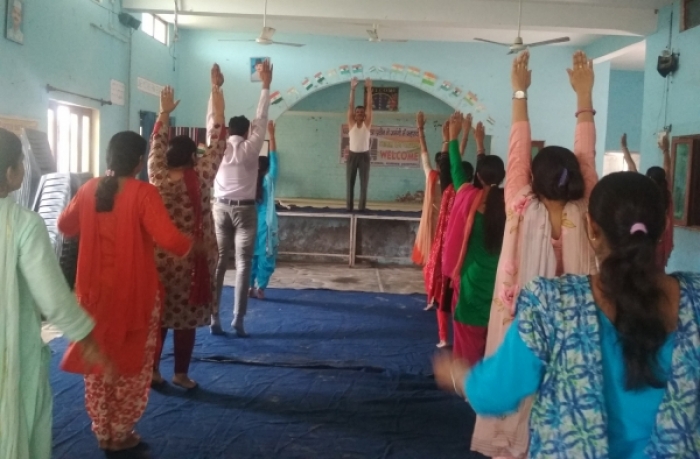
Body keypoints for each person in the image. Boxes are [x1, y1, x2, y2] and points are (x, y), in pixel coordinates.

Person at [434, 171, 700, 458]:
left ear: (591, 228)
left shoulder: (551, 304)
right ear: (664, 228)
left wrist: (459, 376)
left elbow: (495, 394)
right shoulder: (695, 301)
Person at [471, 50, 599, 458]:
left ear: (533, 176)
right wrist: (584, 97)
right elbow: (586, 157)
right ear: (576, 178)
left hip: (522, 326)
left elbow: (516, 151)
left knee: (516, 380)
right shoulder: (587, 209)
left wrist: (520, 91)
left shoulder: (520, 205)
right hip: (575, 333)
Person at [58, 131, 195, 452]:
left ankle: (103, 430)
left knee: (98, 364)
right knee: (130, 364)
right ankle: (121, 433)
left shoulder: (89, 188)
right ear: (138, 162)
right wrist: (194, 246)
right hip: (134, 295)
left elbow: (65, 225)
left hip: (91, 296)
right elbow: (170, 240)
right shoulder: (143, 193)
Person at [0, 128, 111, 459]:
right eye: (21, 162)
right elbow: (51, 295)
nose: (24, 168)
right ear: (10, 172)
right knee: (14, 416)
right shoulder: (22, 224)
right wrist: (86, 337)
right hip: (10, 347)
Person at [149, 66, 227, 390]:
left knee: (158, 317)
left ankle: (153, 371)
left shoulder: (157, 174)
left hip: (159, 259)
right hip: (194, 259)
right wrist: (216, 90)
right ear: (194, 156)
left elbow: (155, 142)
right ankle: (180, 374)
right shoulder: (203, 175)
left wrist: (164, 113)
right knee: (185, 321)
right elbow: (218, 138)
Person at [211, 59, 273, 336]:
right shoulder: (251, 148)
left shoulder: (219, 147)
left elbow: (212, 120)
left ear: (227, 131)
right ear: (247, 132)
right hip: (246, 211)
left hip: (219, 209)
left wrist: (215, 88)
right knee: (244, 264)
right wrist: (265, 85)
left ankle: (214, 317)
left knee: (219, 263)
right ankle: (238, 319)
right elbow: (261, 118)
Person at [442, 113, 506, 365]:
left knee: (468, 340)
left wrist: (453, 138)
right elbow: (487, 177)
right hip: (501, 282)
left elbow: (457, 171)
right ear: (503, 176)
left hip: (472, 280)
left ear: (478, 177)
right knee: (496, 340)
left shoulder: (469, 197)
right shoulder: (511, 204)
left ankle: (468, 380)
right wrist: (480, 145)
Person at [424, 119, 472, 347]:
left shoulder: (449, 190)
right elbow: (450, 164)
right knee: (463, 296)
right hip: (466, 252)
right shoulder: (475, 197)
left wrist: (450, 138)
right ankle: (463, 338)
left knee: (445, 294)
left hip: (447, 251)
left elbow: (448, 165)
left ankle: (444, 338)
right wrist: (461, 137)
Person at [621, 132, 674, 269]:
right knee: (658, 270)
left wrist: (624, 147)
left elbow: (632, 168)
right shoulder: (667, 194)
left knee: (643, 268)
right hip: (663, 240)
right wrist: (666, 149)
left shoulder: (643, 192)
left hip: (645, 240)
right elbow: (668, 168)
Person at [250, 121, 280, 299]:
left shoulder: (249, 181)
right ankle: (260, 287)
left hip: (250, 224)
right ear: (267, 168)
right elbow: (275, 158)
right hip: (266, 226)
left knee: (251, 256)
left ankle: (248, 287)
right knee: (266, 257)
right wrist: (272, 135)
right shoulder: (269, 180)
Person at [411, 111, 442, 267]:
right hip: (441, 220)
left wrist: (420, 129)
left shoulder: (431, 175)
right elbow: (459, 154)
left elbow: (424, 153)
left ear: (436, 164)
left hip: (434, 221)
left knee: (433, 253)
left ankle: (431, 270)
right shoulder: (451, 180)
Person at [346, 77, 374, 212]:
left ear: (364, 116)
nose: (359, 114)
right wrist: (352, 89)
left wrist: (369, 89)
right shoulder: (351, 124)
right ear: (354, 115)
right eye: (357, 112)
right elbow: (350, 106)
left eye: (362, 113)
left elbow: (369, 106)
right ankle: (349, 208)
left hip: (364, 156)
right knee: (349, 183)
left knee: (364, 184)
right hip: (352, 156)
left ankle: (362, 209)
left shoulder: (366, 124)